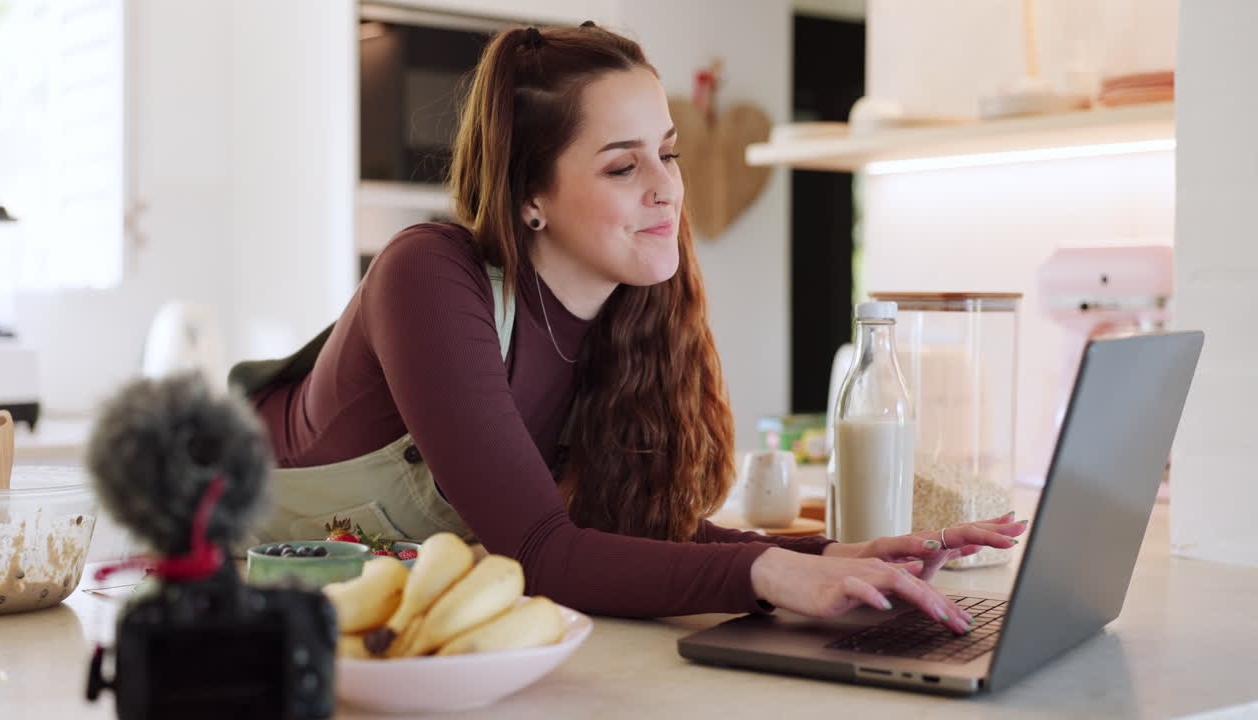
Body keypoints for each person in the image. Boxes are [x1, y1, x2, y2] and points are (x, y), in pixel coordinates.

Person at [231, 23, 1026, 633]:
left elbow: (631, 534)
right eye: (623, 166)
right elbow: (539, 552)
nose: (666, 190)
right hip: (225, 552)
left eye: (668, 154)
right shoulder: (431, 277)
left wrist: (830, 558)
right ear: (528, 196)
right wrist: (767, 573)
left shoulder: (628, 312)